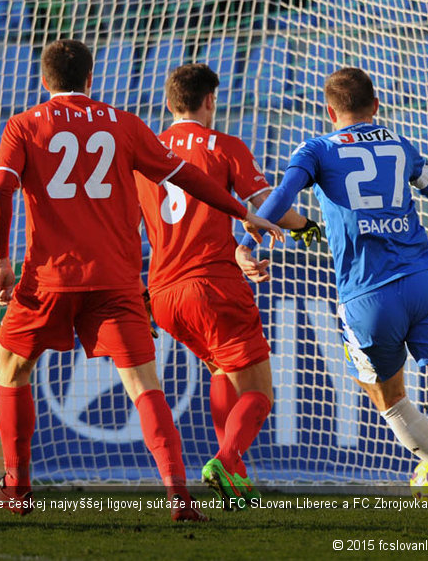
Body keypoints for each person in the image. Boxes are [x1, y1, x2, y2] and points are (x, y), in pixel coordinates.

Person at [0, 40, 282, 522]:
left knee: (11, 369)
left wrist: (0, 260)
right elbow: (188, 178)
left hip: (50, 275)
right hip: (116, 281)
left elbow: (0, 190)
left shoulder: (25, 124)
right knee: (144, 386)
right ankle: (179, 500)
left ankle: (16, 487)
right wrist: (243, 210)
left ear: (43, 80)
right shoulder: (124, 124)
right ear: (92, 78)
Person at [237, 67, 428, 510]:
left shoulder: (316, 149)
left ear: (329, 110)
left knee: (390, 400)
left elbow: (282, 196)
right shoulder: (399, 144)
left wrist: (248, 242)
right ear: (376, 106)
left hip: (366, 295)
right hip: (422, 281)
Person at [134, 63, 319, 508]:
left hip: (162, 294)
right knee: (259, 392)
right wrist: (306, 226)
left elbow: (127, 227)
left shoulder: (145, 152)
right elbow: (266, 204)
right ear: (210, 101)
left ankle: (234, 477)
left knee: (221, 372)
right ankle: (227, 458)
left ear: (168, 102)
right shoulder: (223, 146)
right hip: (212, 286)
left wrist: (136, 291)